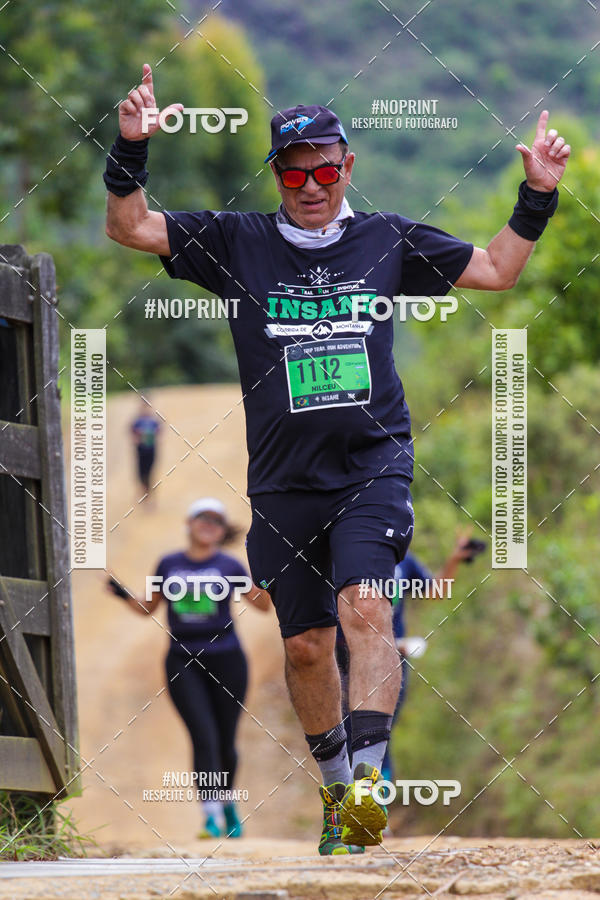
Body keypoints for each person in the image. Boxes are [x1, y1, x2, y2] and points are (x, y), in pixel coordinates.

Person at [103, 64, 570, 854]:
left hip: (371, 466)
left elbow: (497, 270)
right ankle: (335, 793)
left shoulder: (386, 239)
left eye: (324, 171)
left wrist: (538, 195)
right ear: (276, 176)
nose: (311, 187)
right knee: (305, 645)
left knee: (367, 606)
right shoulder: (237, 241)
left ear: (348, 165)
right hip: (282, 481)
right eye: (294, 174)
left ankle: (369, 784)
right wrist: (131, 148)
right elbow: (130, 227)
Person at [106, 497, 270, 838]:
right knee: (203, 736)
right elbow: (147, 608)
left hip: (227, 659)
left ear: (223, 530)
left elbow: (263, 606)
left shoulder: (230, 566)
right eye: (202, 518)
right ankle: (210, 816)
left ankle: (228, 804)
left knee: (225, 740)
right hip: (183, 660)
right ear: (189, 523)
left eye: (216, 520)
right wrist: (122, 593)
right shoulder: (169, 564)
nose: (208, 524)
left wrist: (271, 574)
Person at [336, 534, 486, 791]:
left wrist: (454, 560)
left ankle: (376, 796)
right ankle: (350, 796)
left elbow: (436, 591)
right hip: (350, 659)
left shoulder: (404, 563)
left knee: (381, 728)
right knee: (352, 730)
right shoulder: (346, 561)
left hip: (393, 659)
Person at [130, 396, 161, 498]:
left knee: (149, 473)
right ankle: (143, 493)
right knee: (141, 473)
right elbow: (132, 433)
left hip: (151, 449)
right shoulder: (137, 421)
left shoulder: (153, 421)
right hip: (141, 450)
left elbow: (158, 432)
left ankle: (149, 494)